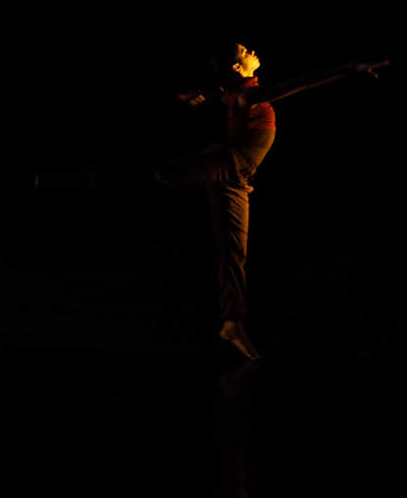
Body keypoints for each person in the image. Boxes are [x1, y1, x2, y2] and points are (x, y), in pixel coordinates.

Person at [158, 43, 389, 359]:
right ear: (238, 67)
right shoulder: (249, 96)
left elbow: (223, 95)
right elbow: (300, 83)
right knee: (168, 174)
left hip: (237, 182)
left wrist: (204, 94)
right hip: (226, 163)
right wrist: (349, 69)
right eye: (244, 51)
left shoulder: (238, 95)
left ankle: (232, 321)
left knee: (233, 254)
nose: (251, 51)